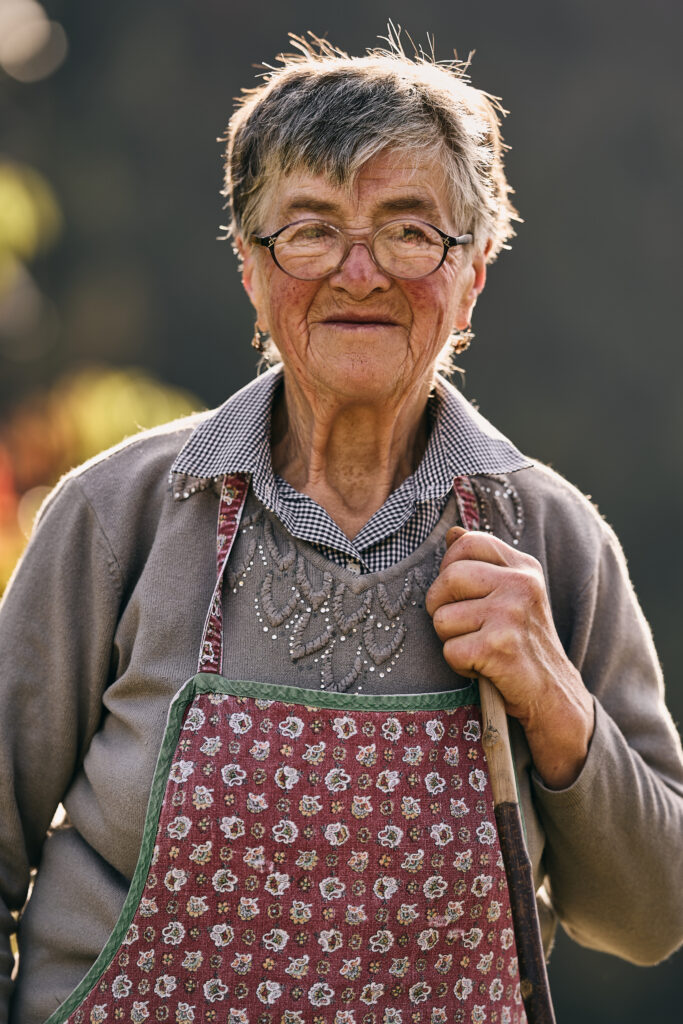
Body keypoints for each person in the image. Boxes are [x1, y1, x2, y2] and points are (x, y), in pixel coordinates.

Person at [1, 32, 682, 1024]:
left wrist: (555, 699)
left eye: (409, 232)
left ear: (474, 269)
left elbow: (651, 914)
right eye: (311, 229)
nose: (358, 272)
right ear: (248, 262)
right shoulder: (123, 517)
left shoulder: (552, 540)